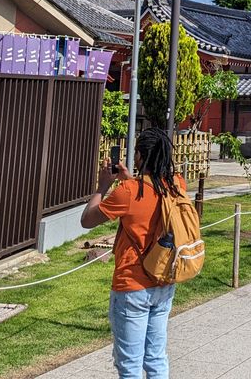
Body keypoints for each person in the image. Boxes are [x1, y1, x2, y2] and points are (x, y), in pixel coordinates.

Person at [80, 127, 187, 379]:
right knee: (156, 358)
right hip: (163, 279)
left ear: (139, 156)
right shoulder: (177, 184)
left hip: (132, 285)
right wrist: (128, 180)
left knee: (129, 365)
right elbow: (149, 206)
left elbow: (87, 220)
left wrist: (102, 186)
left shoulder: (128, 192)